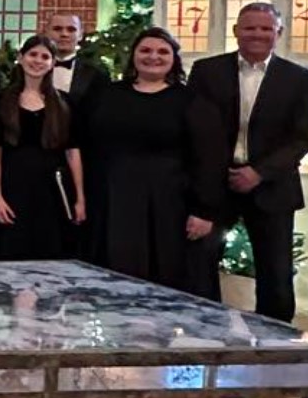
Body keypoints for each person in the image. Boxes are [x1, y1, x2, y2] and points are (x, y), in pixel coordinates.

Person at [188, 2, 308, 320]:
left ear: (279, 33)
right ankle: (201, 332)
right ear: (236, 31)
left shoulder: (299, 78)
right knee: (199, 263)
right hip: (214, 184)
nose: (257, 34)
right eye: (250, 27)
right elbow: (195, 128)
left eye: (265, 28)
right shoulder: (207, 71)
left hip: (272, 186)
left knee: (275, 271)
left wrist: (259, 172)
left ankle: (277, 346)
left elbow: (302, 137)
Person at [81, 28, 225, 294]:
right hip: (113, 199)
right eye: (145, 50)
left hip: (169, 203)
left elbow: (209, 160)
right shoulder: (107, 94)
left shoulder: (191, 101)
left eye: (162, 51)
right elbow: (87, 145)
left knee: (165, 278)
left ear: (174, 58)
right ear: (133, 55)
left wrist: (205, 211)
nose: (153, 57)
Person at [0, 36, 85, 260]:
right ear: (21, 58)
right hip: (13, 184)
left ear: (52, 63)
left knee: (50, 251)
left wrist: (80, 198)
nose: (38, 61)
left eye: (45, 57)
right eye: (33, 55)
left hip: (52, 188)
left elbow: (73, 152)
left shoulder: (64, 103)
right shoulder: (1, 100)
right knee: (13, 250)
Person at [45, 12, 108, 105]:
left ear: (80, 35)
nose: (64, 34)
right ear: (47, 33)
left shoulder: (97, 74)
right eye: (57, 29)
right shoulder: (29, 70)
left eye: (71, 29)